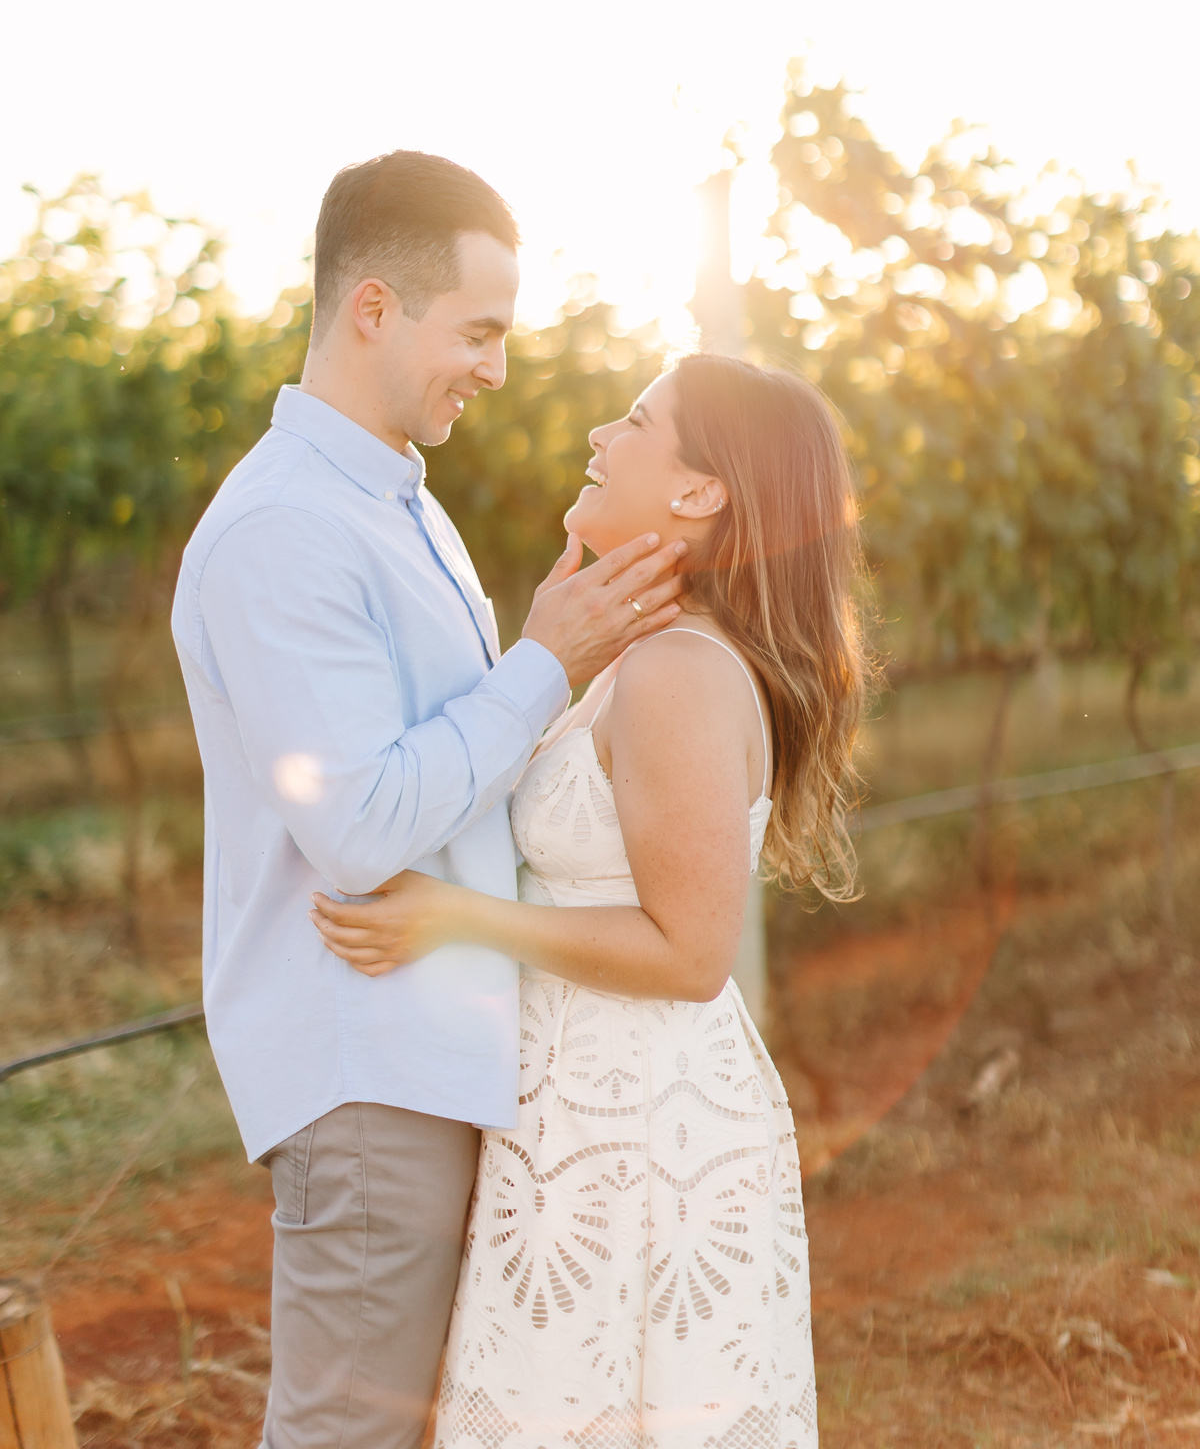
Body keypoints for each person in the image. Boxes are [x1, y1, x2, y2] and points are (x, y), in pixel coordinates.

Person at [171, 150, 688, 1449]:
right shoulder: (285, 532)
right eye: (479, 332)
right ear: (373, 310)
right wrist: (546, 662)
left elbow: (457, 782)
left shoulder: (400, 508)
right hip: (367, 1074)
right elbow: (354, 828)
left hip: (431, 1058)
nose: (498, 368)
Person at [313, 352, 865, 1449]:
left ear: (701, 490)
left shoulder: (679, 672)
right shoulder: (643, 658)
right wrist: (541, 650)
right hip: (590, 1105)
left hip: (641, 1124)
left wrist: (454, 917)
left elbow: (690, 952)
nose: (599, 439)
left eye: (635, 420)